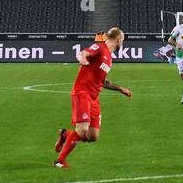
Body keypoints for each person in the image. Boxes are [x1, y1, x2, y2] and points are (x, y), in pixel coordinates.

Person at [54, 28, 132, 168]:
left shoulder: (109, 58)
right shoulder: (100, 47)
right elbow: (83, 53)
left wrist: (120, 89)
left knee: (92, 136)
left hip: (94, 98)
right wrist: (83, 59)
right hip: (82, 93)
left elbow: (102, 82)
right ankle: (60, 161)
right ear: (119, 39)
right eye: (123, 40)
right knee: (82, 129)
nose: (123, 43)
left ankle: (66, 135)